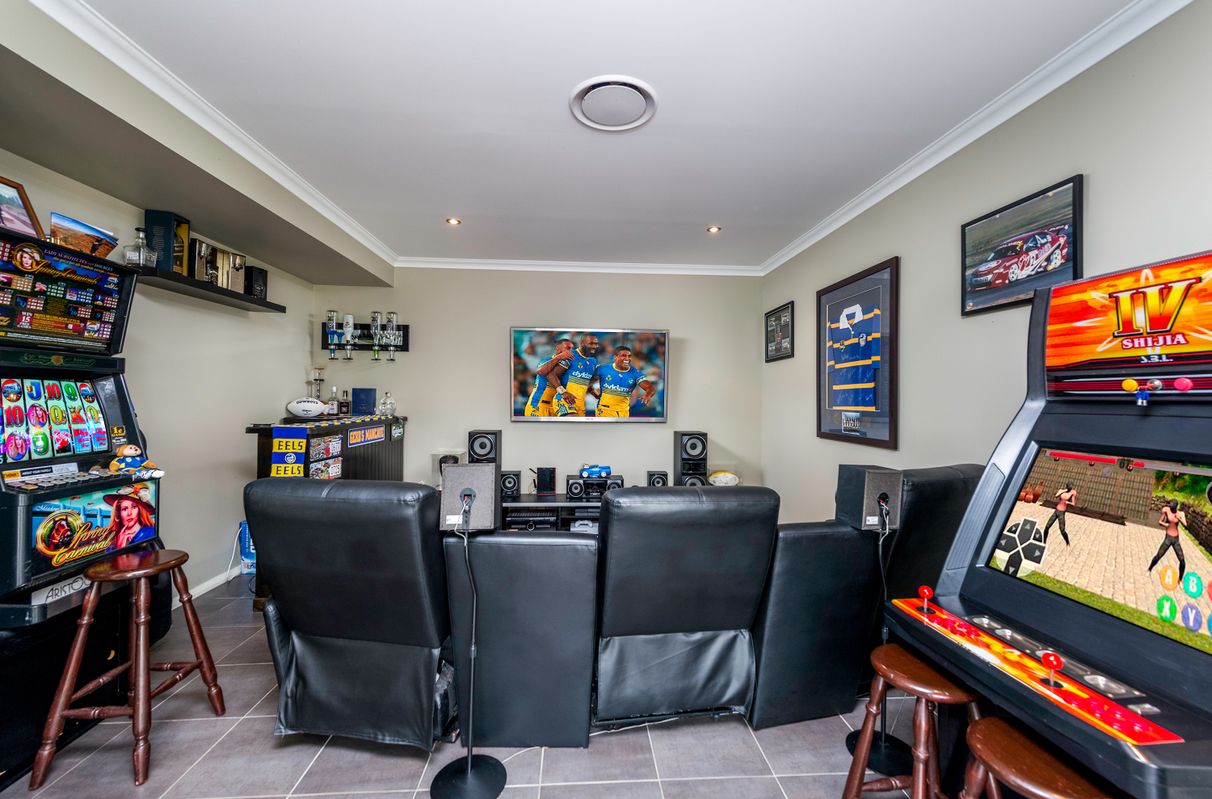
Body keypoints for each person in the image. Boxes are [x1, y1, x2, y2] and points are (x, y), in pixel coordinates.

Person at [592, 346, 657, 418]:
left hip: (624, 413)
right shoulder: (603, 369)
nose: (627, 358)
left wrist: (647, 395)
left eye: (629, 356)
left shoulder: (635, 373)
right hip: (605, 411)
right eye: (623, 355)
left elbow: (650, 388)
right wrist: (592, 392)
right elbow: (588, 381)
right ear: (615, 357)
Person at [523, 338, 574, 417]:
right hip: (537, 405)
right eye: (568, 348)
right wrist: (558, 357)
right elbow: (541, 371)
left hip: (554, 407)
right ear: (558, 348)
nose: (571, 351)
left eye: (572, 348)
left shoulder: (568, 365)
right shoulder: (546, 361)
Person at [558, 333, 602, 416]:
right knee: (573, 422)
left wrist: (596, 395)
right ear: (582, 343)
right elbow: (553, 375)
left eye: (596, 344)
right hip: (565, 400)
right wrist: (563, 392)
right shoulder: (570, 355)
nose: (594, 346)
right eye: (591, 343)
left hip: (580, 403)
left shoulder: (593, 361)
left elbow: (585, 383)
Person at [103, 486, 156, 550]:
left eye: (134, 507)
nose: (129, 513)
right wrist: (119, 546)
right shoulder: (111, 539)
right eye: (124, 509)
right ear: (119, 513)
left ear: (140, 510)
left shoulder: (151, 532)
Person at [1148, 499, 1187, 579]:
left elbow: (1185, 525)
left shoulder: (1180, 513)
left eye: (1172, 506)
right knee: (1158, 555)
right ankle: (1149, 569)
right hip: (1168, 538)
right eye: (1170, 506)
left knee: (1182, 561)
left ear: (1176, 507)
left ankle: (1180, 579)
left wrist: (1179, 518)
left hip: (1176, 539)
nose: (1170, 507)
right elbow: (1160, 521)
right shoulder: (1166, 510)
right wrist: (1165, 524)